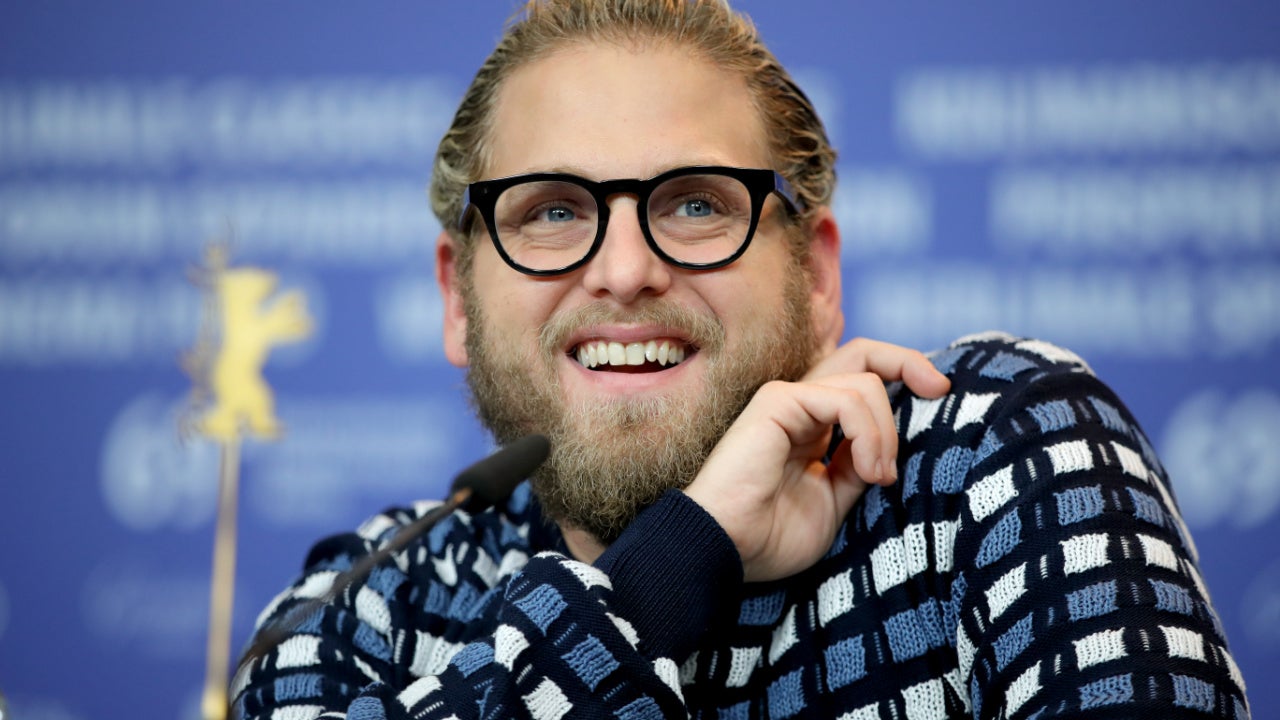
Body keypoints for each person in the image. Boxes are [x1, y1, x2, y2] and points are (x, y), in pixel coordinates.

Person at [231, 1, 1249, 718]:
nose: (624, 271)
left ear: (816, 276)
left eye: (694, 204)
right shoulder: (360, 610)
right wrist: (678, 562)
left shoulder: (990, 451)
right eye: (552, 212)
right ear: (458, 298)